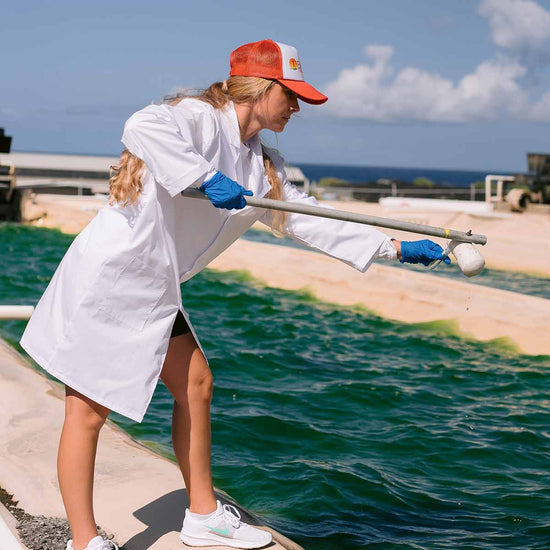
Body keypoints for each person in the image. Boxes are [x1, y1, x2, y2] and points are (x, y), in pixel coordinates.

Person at [20, 39, 449, 550]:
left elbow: (310, 220)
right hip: (110, 282)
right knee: (86, 413)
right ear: (262, 88)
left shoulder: (262, 164)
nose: (296, 107)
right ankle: (85, 542)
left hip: (155, 289)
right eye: (291, 96)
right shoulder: (198, 117)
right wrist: (204, 176)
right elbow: (141, 126)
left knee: (196, 384)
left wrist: (396, 247)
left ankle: (202, 517)